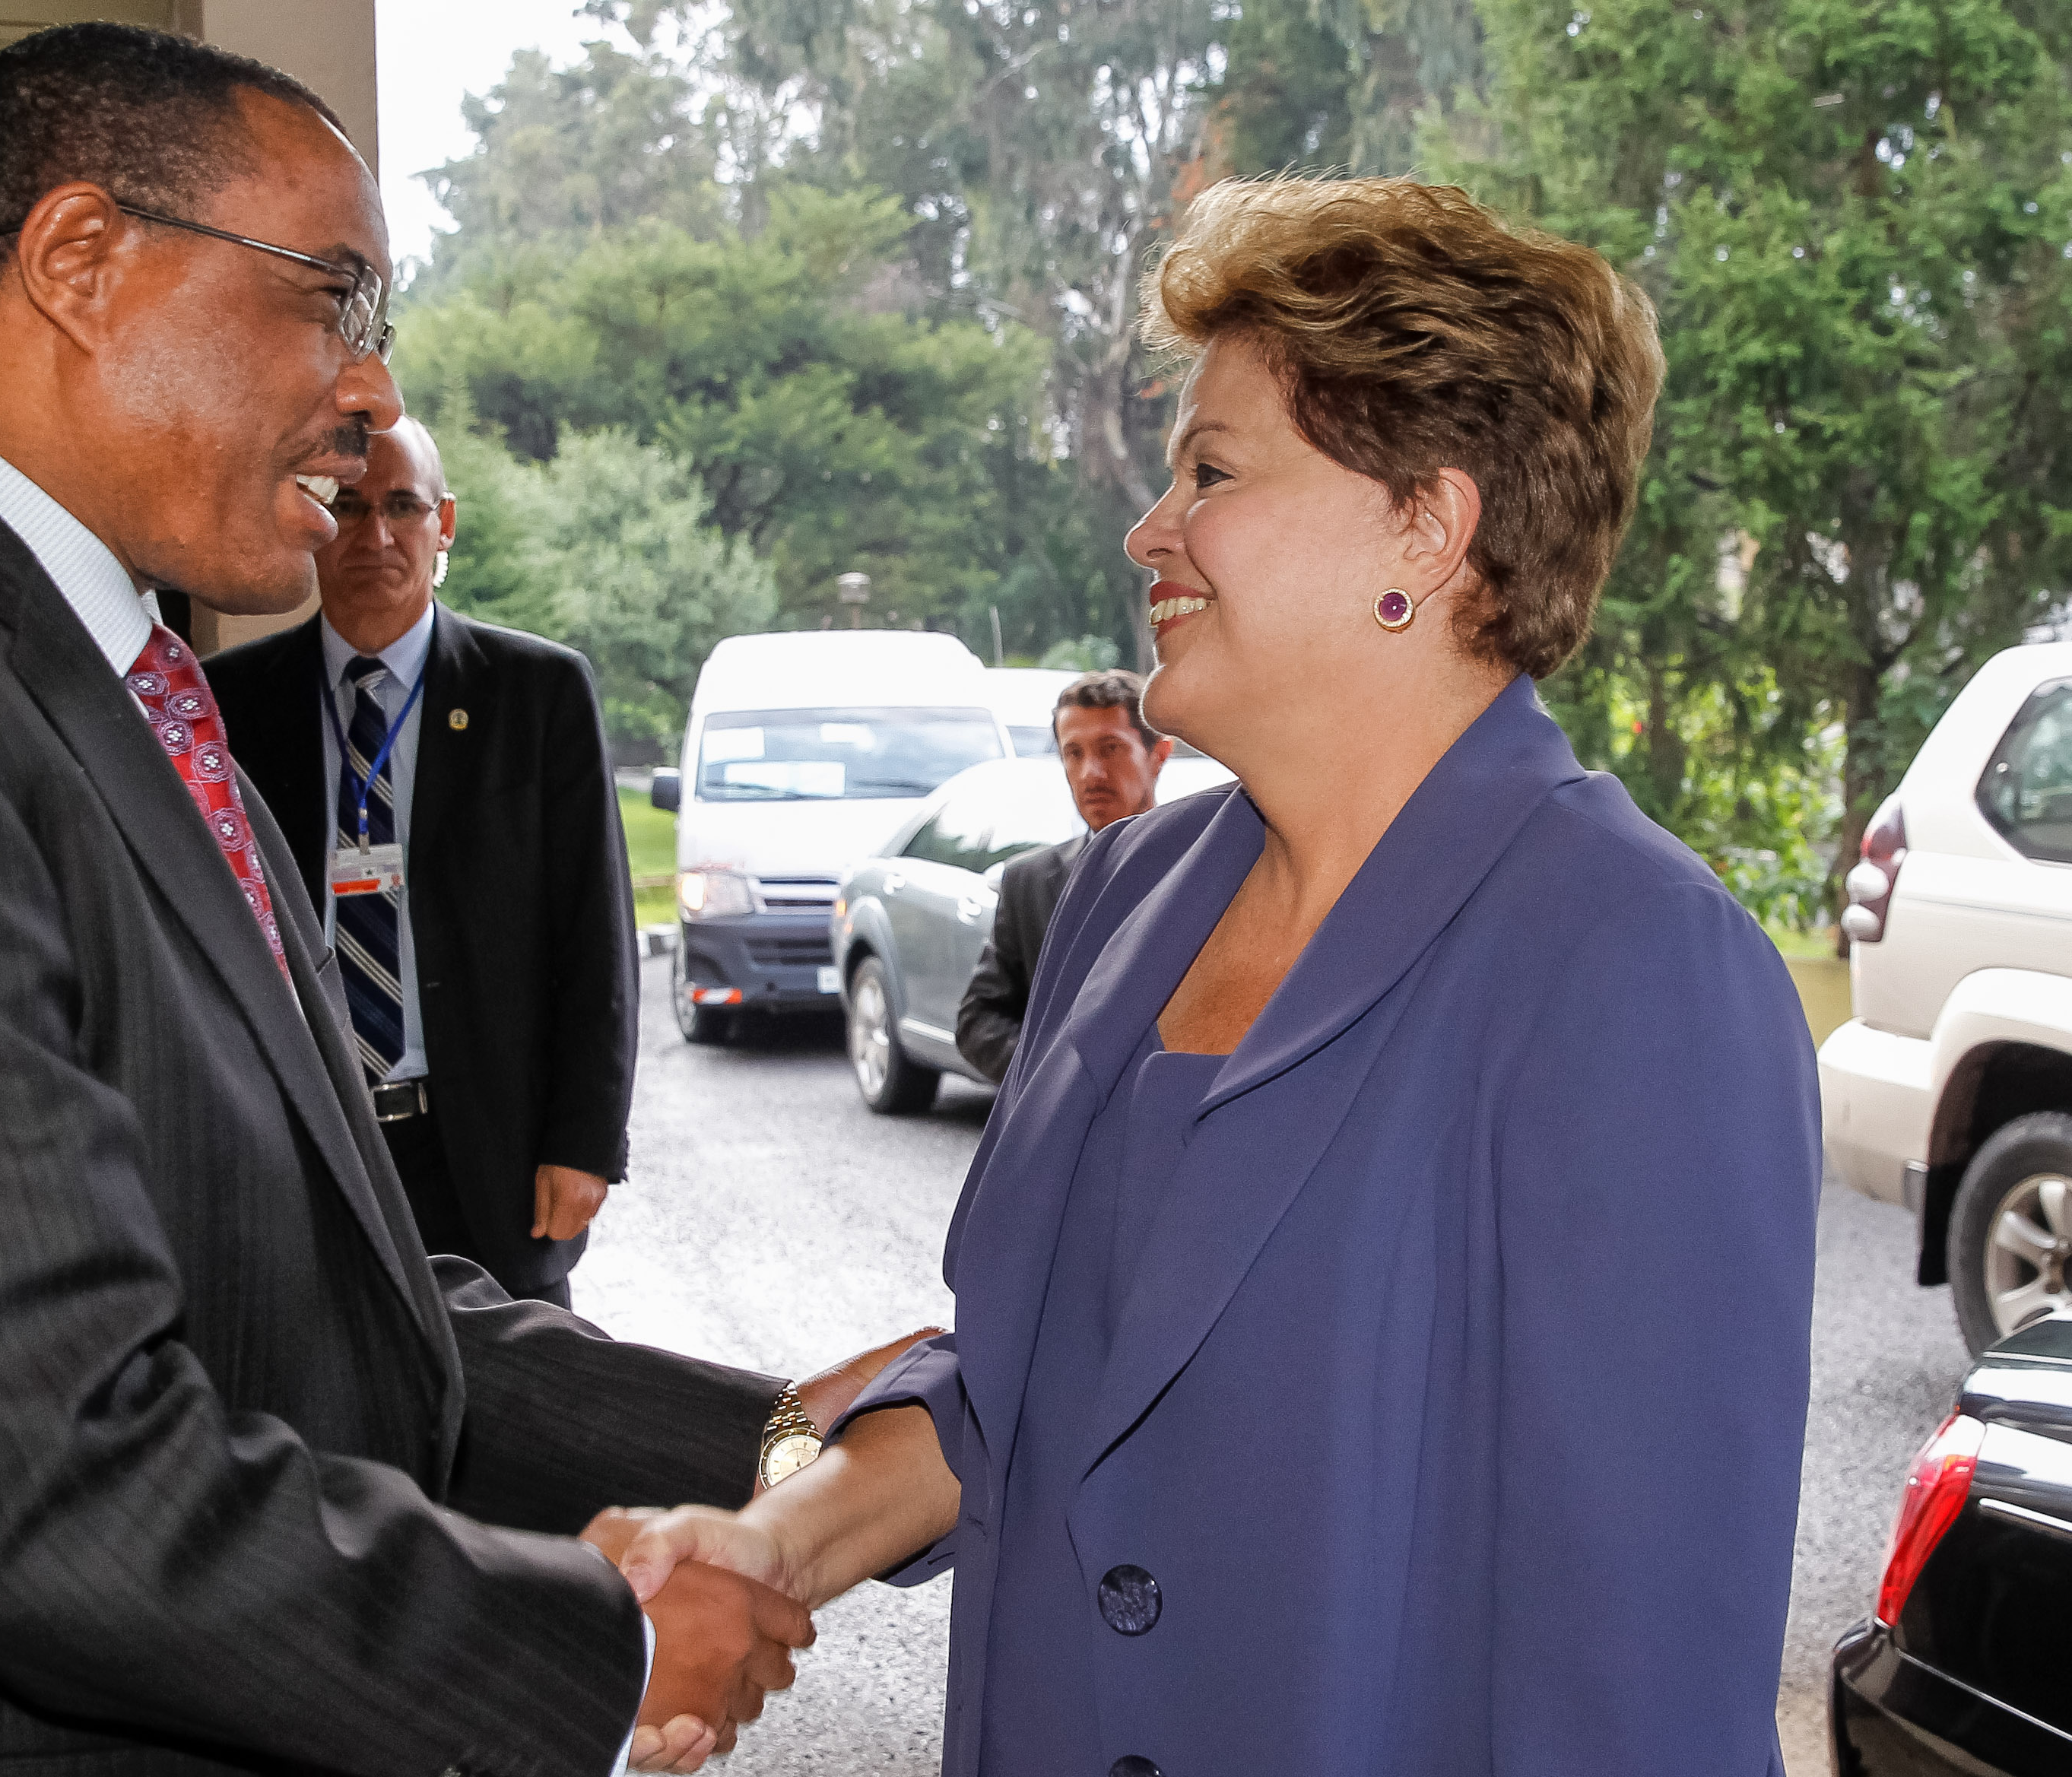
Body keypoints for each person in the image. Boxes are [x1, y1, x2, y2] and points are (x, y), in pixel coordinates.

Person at [0, 26, 909, 1776]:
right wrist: (601, 1638)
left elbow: (356, 1309)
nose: (370, 396)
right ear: (81, 261)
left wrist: (797, 1440)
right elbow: (34, 1473)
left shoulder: (114, 697)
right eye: (332, 297)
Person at [614, 176, 1823, 1777]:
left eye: (1211, 469)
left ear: (1426, 524)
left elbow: (1642, 1676)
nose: (1148, 529)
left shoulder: (1636, 965)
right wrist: (786, 1537)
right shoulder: (1117, 899)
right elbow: (1036, 1380)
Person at [208, 417, 633, 1307]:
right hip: (308, 1150)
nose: (374, 536)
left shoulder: (537, 692)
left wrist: (584, 1142)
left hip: (488, 1153)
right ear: (308, 521)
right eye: (348, 506)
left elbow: (594, 935)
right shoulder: (231, 706)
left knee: (521, 1420)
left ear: (443, 524)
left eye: (401, 506)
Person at [954, 669, 1171, 1082]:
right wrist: (1057, 1079)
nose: (1091, 772)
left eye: (1111, 749)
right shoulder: (1029, 882)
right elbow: (979, 1020)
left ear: (1159, 756)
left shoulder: (1204, 867)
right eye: (1074, 753)